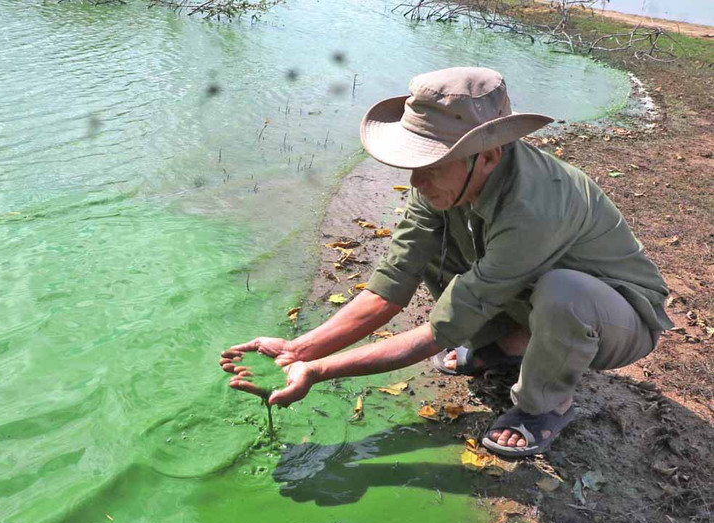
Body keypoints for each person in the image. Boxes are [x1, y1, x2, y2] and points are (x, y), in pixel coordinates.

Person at [220, 67, 672, 457]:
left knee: (564, 294)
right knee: (438, 251)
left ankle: (545, 404)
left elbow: (441, 329)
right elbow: (392, 283)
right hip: (526, 290)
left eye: (431, 164)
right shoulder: (446, 183)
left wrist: (320, 371)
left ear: (489, 155)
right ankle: (508, 344)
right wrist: (300, 349)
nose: (416, 179)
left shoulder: (535, 207)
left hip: (619, 317)